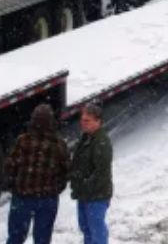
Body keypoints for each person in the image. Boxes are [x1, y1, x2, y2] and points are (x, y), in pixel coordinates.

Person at [6, 104, 70, 244]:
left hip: (22, 197)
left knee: (15, 237)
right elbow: (65, 170)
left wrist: (14, 186)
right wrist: (55, 189)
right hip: (47, 199)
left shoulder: (22, 140)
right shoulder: (58, 144)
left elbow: (10, 166)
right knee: (42, 238)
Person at [71, 104, 113, 244]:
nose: (83, 123)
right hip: (84, 194)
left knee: (96, 230)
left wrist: (85, 186)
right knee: (86, 228)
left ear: (98, 121)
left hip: (96, 196)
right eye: (82, 120)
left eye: (87, 120)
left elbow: (101, 173)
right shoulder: (85, 138)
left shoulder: (101, 142)